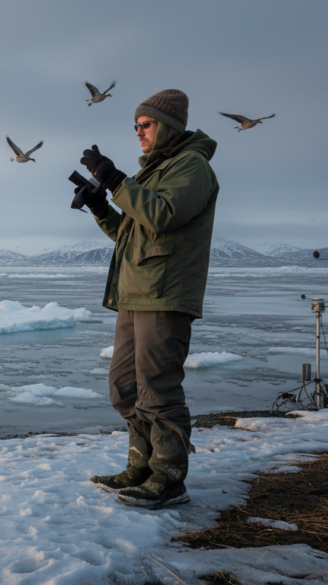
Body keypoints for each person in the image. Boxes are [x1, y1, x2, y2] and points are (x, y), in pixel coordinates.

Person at [76, 89, 219, 509]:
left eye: (146, 124)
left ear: (168, 126)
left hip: (164, 292)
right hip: (134, 293)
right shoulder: (154, 172)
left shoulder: (192, 167)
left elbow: (162, 215)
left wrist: (117, 181)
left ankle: (168, 478)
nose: (139, 132)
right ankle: (140, 467)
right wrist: (102, 206)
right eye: (136, 126)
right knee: (124, 389)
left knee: (157, 390)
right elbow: (132, 232)